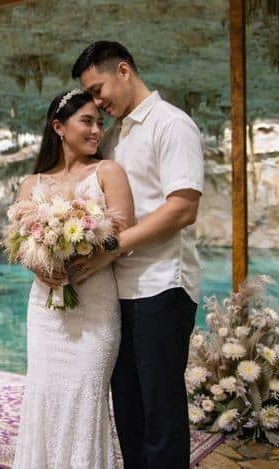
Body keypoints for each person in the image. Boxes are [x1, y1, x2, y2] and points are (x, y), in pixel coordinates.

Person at [68, 40, 204, 468]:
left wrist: (112, 248)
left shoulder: (171, 124)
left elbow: (183, 208)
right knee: (126, 407)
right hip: (116, 294)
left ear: (123, 71)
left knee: (160, 409)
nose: (96, 101)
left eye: (97, 88)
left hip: (162, 285)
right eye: (89, 95)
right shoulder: (111, 138)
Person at [12, 89, 134, 469]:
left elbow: (124, 235)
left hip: (96, 305)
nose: (97, 130)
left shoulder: (108, 172)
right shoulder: (32, 184)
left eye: (100, 122)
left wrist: (92, 253)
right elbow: (17, 245)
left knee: (86, 394)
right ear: (58, 127)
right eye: (87, 121)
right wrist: (39, 265)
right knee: (44, 392)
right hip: (46, 309)